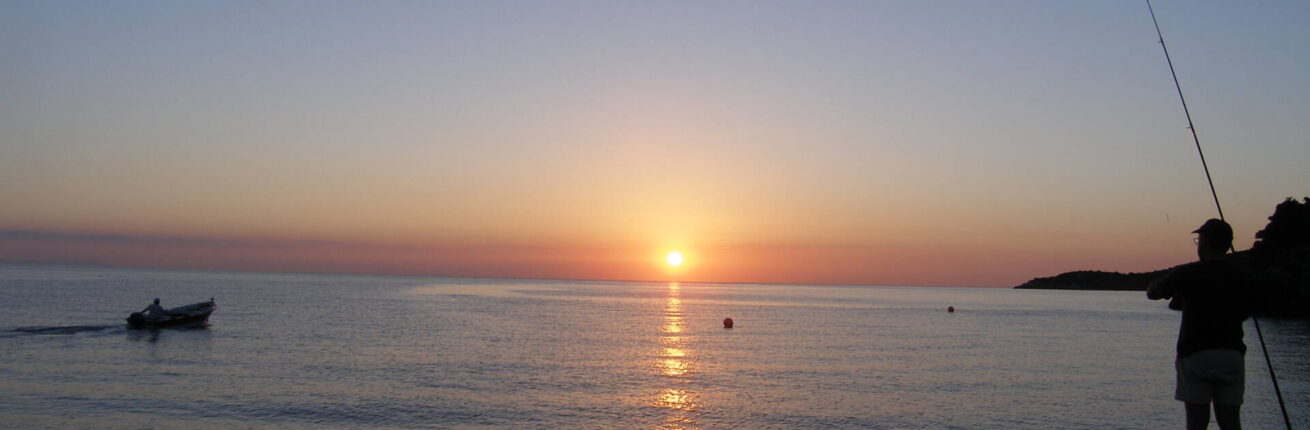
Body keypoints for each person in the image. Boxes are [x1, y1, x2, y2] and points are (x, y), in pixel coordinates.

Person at [1147, 219, 1252, 430]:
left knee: (1196, 421)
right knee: (1231, 422)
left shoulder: (1188, 272)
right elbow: (1249, 309)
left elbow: (1153, 293)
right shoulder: (1242, 276)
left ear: (1205, 243)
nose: (1198, 245)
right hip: (1231, 355)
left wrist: (1177, 280)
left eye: (1198, 240)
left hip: (1196, 355)